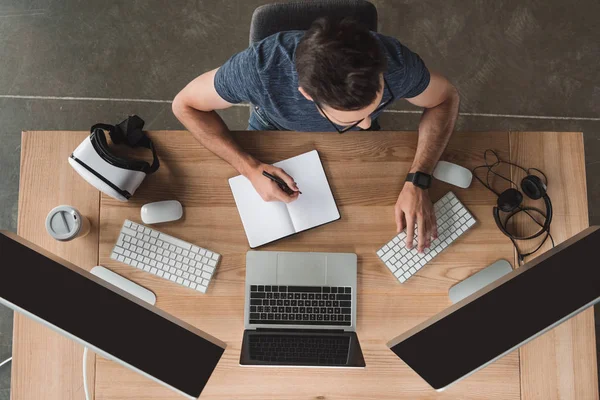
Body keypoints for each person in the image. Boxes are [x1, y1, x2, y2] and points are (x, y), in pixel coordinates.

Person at [172, 17, 459, 253]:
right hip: (273, 129)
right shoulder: (258, 70)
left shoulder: (395, 63)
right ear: (307, 95)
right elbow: (184, 105)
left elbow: (445, 98)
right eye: (351, 120)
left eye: (374, 107)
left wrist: (418, 179)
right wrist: (248, 168)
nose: (368, 126)